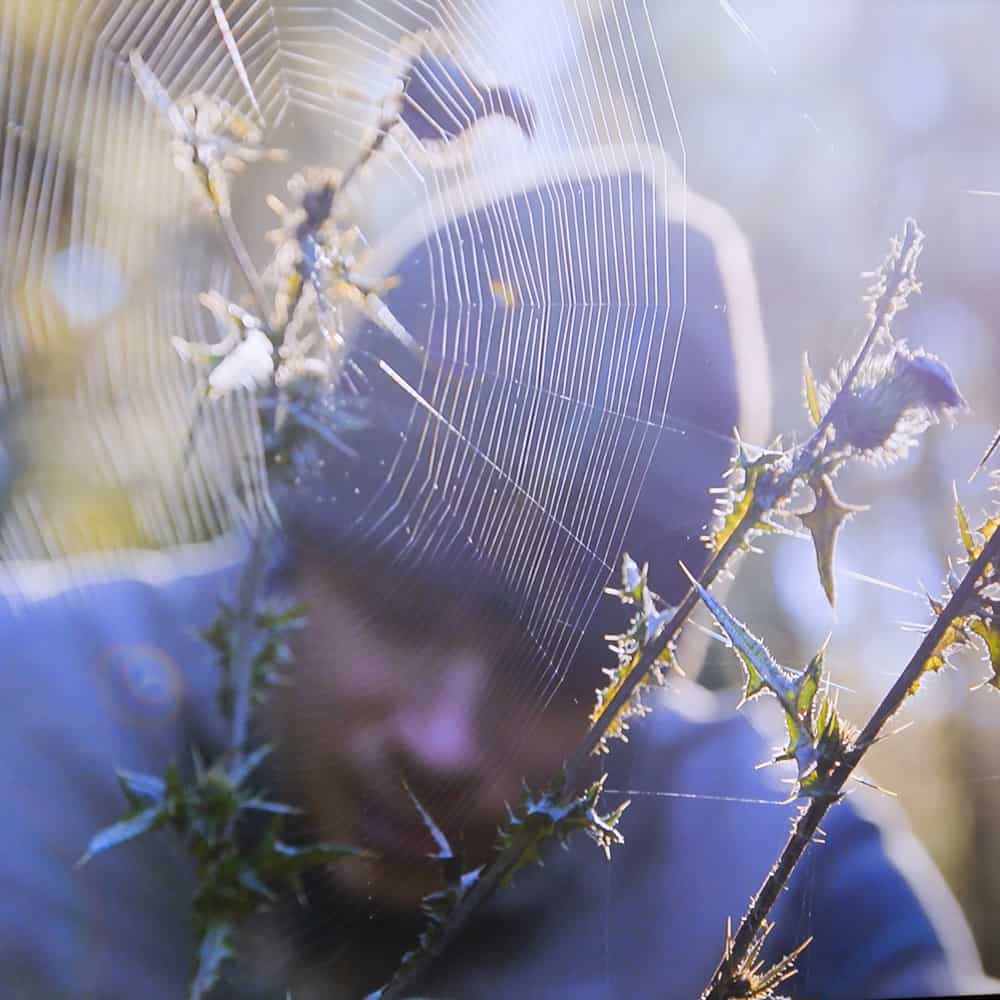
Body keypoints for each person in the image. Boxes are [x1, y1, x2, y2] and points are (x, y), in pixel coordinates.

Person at [0, 145, 992, 1000]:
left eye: (552, 673)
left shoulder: (782, 866)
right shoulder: (26, 710)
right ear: (293, 553)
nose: (439, 742)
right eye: (395, 614)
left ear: (649, 684)